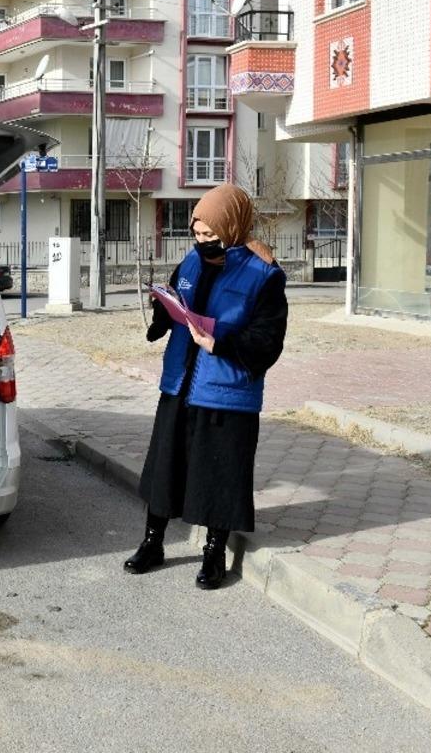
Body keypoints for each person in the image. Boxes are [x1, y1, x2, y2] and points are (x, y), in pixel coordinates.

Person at [124, 183, 287, 590]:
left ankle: (214, 553)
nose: (202, 243)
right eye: (197, 235)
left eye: (210, 236)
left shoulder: (263, 275)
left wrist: (222, 343)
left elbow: (269, 341)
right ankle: (152, 542)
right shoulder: (191, 263)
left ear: (230, 227)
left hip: (227, 391)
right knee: (165, 469)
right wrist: (162, 313)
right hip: (180, 383)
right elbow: (176, 300)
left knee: (220, 477)